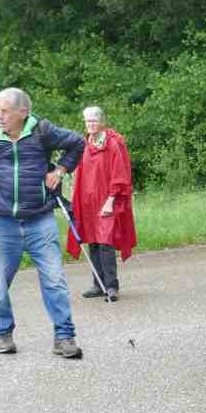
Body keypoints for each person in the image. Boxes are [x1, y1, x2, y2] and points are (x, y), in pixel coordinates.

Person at [0, 88, 88, 358]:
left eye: (5, 111)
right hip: (3, 221)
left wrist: (60, 170)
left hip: (40, 219)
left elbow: (77, 143)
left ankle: (64, 337)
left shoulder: (42, 131)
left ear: (22, 112)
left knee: (54, 279)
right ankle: (2, 333)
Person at [68, 105, 137, 300]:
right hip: (87, 203)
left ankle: (112, 286)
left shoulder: (112, 144)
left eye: (94, 120)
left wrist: (111, 200)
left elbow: (119, 174)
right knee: (93, 241)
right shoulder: (84, 144)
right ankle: (98, 284)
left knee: (106, 241)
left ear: (102, 122)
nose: (90, 124)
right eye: (88, 121)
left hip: (106, 201)